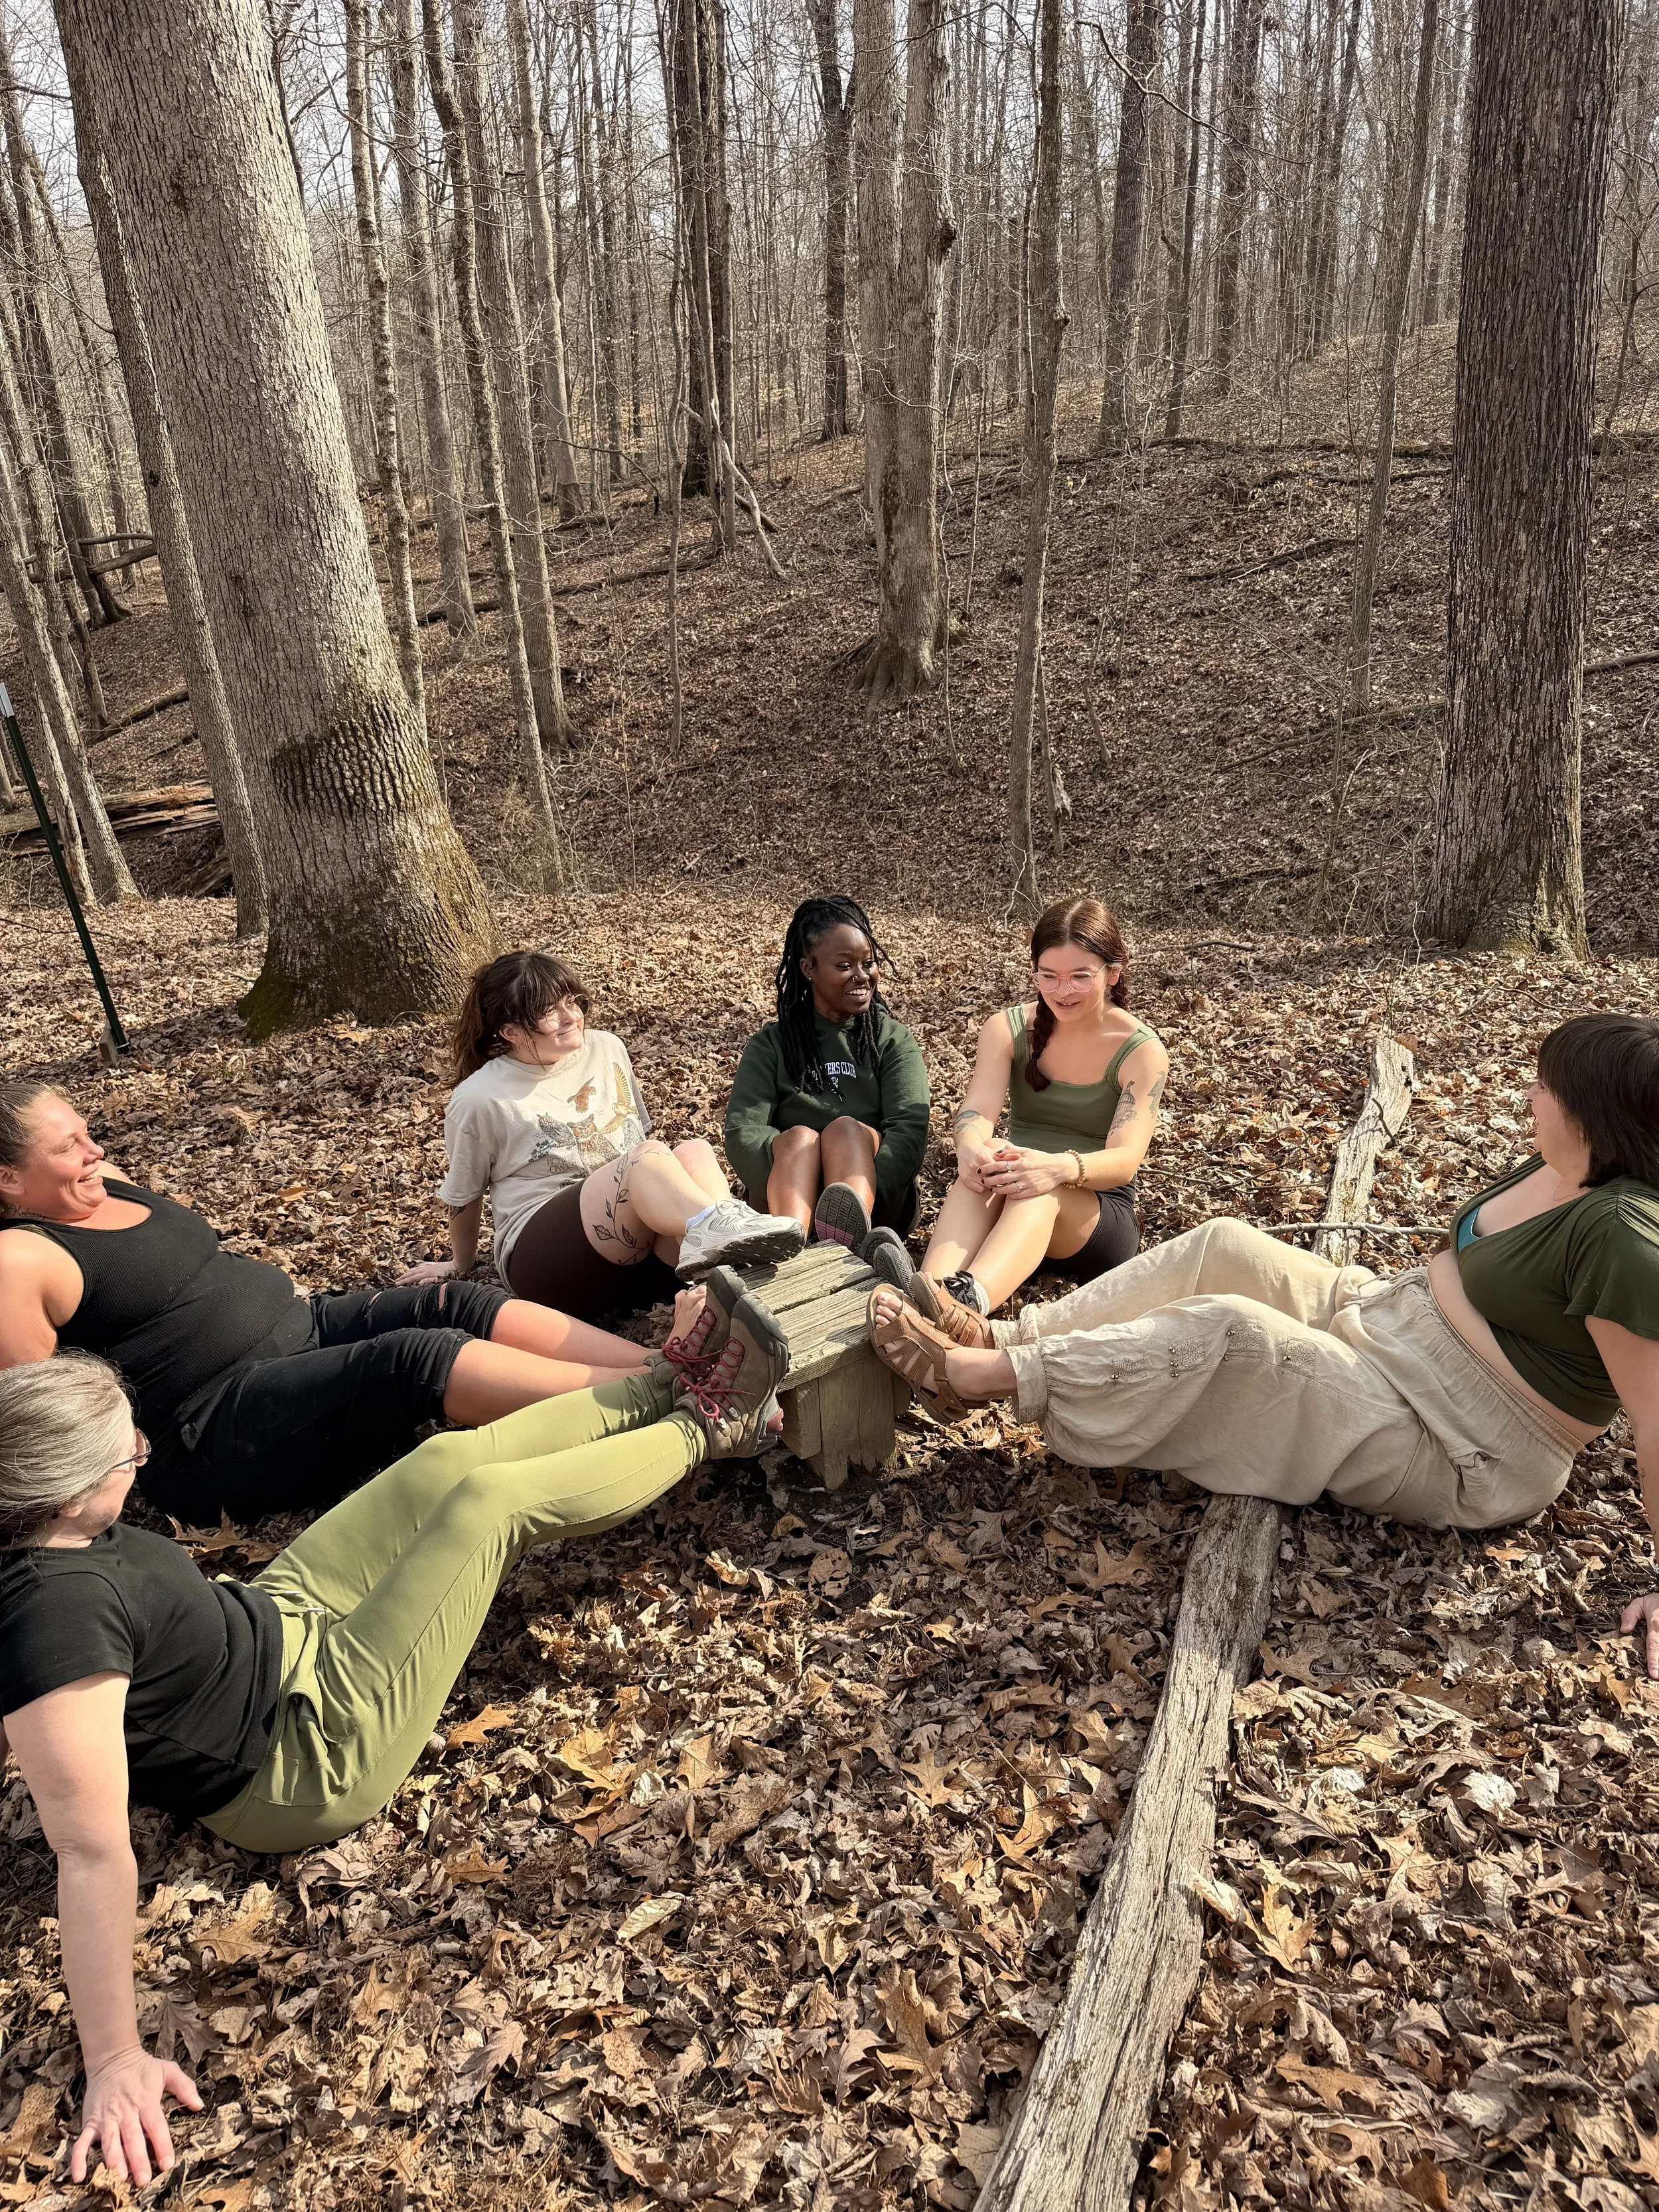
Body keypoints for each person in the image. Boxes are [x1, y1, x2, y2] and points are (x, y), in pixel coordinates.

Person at [0, 1268, 786, 2187]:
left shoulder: (45, 1529)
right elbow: (89, 1852)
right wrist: (114, 2059)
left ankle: (663, 1385)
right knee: (488, 1509)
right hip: (307, 1747)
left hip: (276, 1619)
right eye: (121, 1453)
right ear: (58, 1495)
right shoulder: (54, 1623)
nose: (142, 1447)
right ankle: (711, 1423)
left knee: (444, 1463)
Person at [870, 1014, 1659, 1596]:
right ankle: (1004, 1328)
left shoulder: (1626, 1236)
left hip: (1461, 1434)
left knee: (1232, 1331)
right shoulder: (1565, 1156)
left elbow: (1655, 1419)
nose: (1530, 1092)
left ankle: (985, 1376)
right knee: (1223, 1244)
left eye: (1546, 1087)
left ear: (1594, 1114)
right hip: (1388, 1318)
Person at [0, 1082, 670, 1526]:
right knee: (416, 1360)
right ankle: (667, 1399)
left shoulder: (105, 1182)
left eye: (87, 1133)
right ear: (7, 1179)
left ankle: (659, 1365)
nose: (96, 1151)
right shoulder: (18, 1263)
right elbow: (39, 1424)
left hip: (301, 1325)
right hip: (214, 1426)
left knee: (451, 1301)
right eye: (69, 1148)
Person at [401, 950, 803, 1319]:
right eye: (549, 1011)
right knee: (647, 1157)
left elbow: (635, 1136)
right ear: (510, 1031)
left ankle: (723, 1258)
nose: (571, 1016)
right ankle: (724, 1229)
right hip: (553, 1271)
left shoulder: (606, 1048)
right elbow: (464, 1196)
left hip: (642, 1265)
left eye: (572, 1001)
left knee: (694, 1151)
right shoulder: (479, 1098)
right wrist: (461, 1263)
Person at [872, 897, 1166, 1335]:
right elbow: (976, 1112)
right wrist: (970, 1148)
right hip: (1011, 1201)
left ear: (1112, 975)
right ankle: (927, 1293)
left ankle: (963, 1308)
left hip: (1092, 1216)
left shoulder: (1141, 1049)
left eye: (1080, 977)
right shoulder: (1006, 1028)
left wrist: (1056, 1168)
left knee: (1039, 1187)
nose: (1062, 990)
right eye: (1048, 976)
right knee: (990, 1151)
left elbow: (1124, 1161)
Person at [723, 897, 930, 1252]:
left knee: (846, 1131)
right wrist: (792, 1183)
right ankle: (792, 1250)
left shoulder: (890, 1039)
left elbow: (910, 1127)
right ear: (808, 968)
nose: (862, 976)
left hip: (877, 1198)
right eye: (845, 965)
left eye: (869, 963)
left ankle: (849, 1241)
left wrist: (870, 1187)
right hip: (787, 1193)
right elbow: (744, 1132)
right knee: (801, 1139)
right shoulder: (772, 1044)